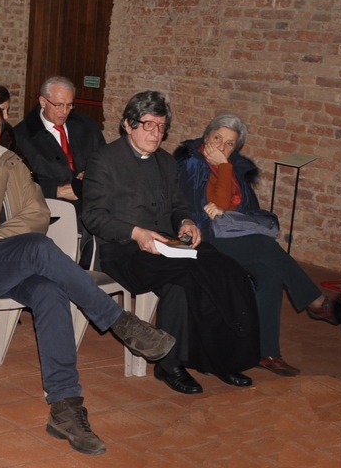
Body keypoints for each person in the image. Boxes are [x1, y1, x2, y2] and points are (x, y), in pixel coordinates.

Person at [0, 97, 176, 456]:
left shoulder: (10, 162)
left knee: (48, 290)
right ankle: (119, 321)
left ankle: (65, 406)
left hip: (10, 260)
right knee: (36, 248)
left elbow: (38, 215)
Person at [82, 91, 261, 396]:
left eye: (161, 127)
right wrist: (136, 233)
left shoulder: (166, 161)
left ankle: (219, 357)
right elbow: (94, 217)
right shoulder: (104, 159)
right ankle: (169, 364)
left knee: (225, 268)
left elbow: (178, 204)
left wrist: (185, 222)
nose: (155, 134)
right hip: (123, 250)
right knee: (182, 278)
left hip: (167, 243)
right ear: (128, 124)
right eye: (148, 125)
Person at [175, 113, 340, 376]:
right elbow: (201, 211)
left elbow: (236, 206)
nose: (222, 147)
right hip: (207, 239)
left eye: (230, 144)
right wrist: (224, 170)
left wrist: (226, 173)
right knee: (266, 248)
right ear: (206, 136)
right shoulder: (192, 164)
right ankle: (316, 301)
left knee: (271, 275)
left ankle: (268, 353)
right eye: (217, 138)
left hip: (236, 236)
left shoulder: (235, 167)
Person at [14, 76, 105, 267]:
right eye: (59, 105)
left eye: (70, 105)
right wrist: (56, 190)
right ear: (42, 101)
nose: (65, 111)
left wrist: (92, 172)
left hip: (92, 199)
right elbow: (17, 183)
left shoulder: (87, 126)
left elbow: (104, 159)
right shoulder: (21, 136)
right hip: (51, 206)